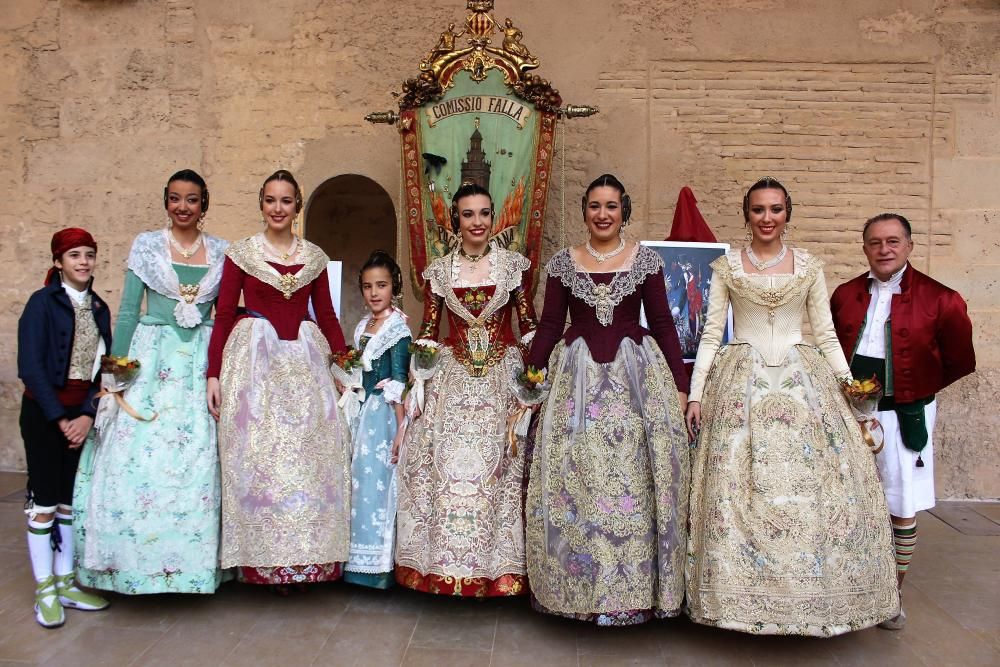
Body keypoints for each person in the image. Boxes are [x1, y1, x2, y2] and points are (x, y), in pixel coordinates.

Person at [684, 177, 899, 636]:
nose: (767, 218)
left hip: (803, 381)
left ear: (787, 214)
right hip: (741, 379)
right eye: (758, 209)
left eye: (776, 209)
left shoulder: (808, 267)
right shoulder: (727, 268)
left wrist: (850, 388)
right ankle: (737, 599)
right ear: (747, 215)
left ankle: (808, 598)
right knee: (738, 487)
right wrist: (697, 392)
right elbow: (710, 332)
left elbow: (824, 334)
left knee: (813, 486)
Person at [523, 174, 690, 626]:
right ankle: (580, 585)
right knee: (577, 476)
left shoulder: (645, 261)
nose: (603, 214)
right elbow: (550, 324)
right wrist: (530, 382)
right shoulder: (564, 264)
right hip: (573, 383)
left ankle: (630, 592)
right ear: (584, 212)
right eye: (595, 206)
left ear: (624, 211)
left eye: (611, 206)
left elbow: (661, 321)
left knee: (632, 475)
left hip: (635, 379)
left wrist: (680, 384)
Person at [73, 170, 228, 595]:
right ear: (165, 202)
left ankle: (193, 568)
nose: (183, 207)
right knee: (138, 454)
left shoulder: (222, 251)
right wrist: (114, 376)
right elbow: (126, 311)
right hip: (151, 359)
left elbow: (227, 314)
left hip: (199, 362)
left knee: (198, 455)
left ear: (204, 205)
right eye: (175, 199)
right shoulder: (145, 245)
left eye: (192, 199)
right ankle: (130, 564)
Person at [206, 169, 351, 590]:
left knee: (309, 459)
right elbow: (222, 317)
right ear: (261, 204)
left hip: (305, 366)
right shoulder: (242, 254)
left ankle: (308, 559)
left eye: (286, 201)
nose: (277, 208)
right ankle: (259, 563)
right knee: (258, 458)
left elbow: (326, 316)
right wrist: (213, 372)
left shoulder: (315, 257)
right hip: (255, 365)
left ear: (297, 207)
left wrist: (343, 368)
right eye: (270, 200)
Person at [830, 212, 975, 630]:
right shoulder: (845, 294)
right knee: (848, 502)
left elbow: (960, 361)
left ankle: (892, 596)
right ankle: (849, 588)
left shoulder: (943, 299)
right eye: (875, 242)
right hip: (852, 414)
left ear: (909, 246)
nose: (884, 250)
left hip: (905, 413)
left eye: (893, 241)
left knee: (901, 506)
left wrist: (910, 389)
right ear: (864, 248)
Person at [395, 182, 537, 596]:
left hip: (501, 378)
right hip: (453, 376)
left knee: (500, 470)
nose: (478, 222)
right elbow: (427, 331)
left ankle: (501, 574)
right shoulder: (439, 271)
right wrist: (417, 379)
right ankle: (442, 569)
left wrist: (535, 379)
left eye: (484, 214)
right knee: (442, 463)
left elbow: (527, 326)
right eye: (469, 214)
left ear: (494, 218)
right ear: (456, 220)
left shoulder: (513, 267)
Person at [18, 228, 111, 628]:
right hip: (44, 414)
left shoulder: (100, 307)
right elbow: (31, 367)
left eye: (89, 254)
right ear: (58, 261)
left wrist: (87, 415)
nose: (84, 261)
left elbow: (103, 369)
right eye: (74, 254)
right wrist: (61, 419)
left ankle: (66, 581)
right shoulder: (42, 304)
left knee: (69, 502)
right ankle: (44, 589)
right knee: (44, 501)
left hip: (80, 414)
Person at [343, 251, 411, 589]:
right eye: (368, 286)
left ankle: (379, 568)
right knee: (357, 485)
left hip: (383, 417)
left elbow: (399, 380)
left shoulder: (397, 328)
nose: (374, 293)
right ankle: (356, 562)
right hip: (361, 409)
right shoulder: (363, 326)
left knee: (378, 486)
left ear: (394, 287)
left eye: (381, 285)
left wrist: (401, 429)